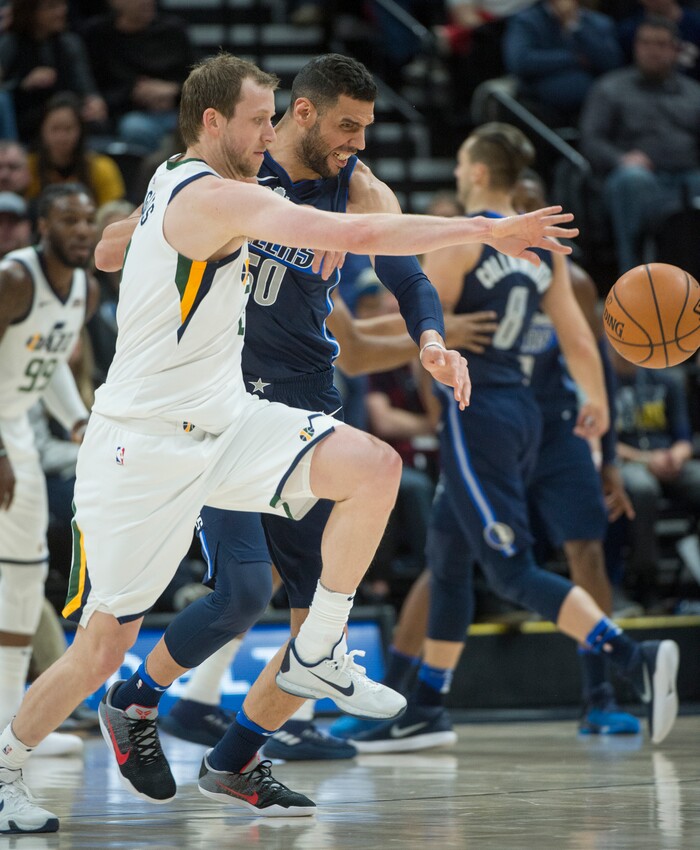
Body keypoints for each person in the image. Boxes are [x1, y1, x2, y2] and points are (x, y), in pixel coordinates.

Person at [0, 53, 578, 833]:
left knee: (376, 469)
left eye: (273, 117)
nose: (268, 132)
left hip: (234, 413)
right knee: (104, 648)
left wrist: (430, 335)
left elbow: (381, 246)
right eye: (258, 119)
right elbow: (352, 231)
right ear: (216, 123)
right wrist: (484, 227)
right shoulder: (212, 195)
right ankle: (8, 767)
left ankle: (318, 652)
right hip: (144, 443)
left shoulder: (225, 183)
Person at [347, 122, 680, 755]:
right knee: (446, 559)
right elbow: (582, 343)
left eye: (459, 167)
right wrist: (600, 410)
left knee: (507, 568)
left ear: (475, 173)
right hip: (530, 412)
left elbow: (420, 320)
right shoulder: (543, 250)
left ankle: (630, 656)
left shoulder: (465, 239)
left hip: (482, 411)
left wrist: (434, 329)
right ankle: (426, 708)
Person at [0, 184, 99, 787]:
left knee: (24, 576)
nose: (83, 229)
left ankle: (11, 720)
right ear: (43, 225)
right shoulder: (15, 277)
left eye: (88, 219)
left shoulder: (83, 289)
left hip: (20, 434)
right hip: (4, 435)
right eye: (69, 219)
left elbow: (53, 363)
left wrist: (79, 422)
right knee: (17, 576)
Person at [579, 16, 700, 272]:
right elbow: (591, 139)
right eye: (645, 43)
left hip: (687, 176)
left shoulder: (693, 92)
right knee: (633, 181)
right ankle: (634, 278)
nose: (652, 51)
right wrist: (621, 159)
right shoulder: (611, 88)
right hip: (636, 178)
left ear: (675, 50)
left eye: (660, 44)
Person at [609, 349, 700, 605]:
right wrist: (648, 459)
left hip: (669, 460)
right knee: (642, 488)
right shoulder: (602, 383)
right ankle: (645, 577)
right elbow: (604, 443)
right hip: (627, 462)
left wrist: (676, 456)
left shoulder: (666, 380)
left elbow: (685, 439)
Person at [80, 0, 196, 152]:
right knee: (136, 129)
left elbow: (198, 77)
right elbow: (96, 90)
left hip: (176, 109)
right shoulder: (97, 34)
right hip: (126, 114)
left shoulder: (173, 30)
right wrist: (133, 93)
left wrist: (173, 89)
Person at [0, 0, 107, 143]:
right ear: (31, 12)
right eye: (51, 7)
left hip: (69, 113)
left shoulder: (70, 44)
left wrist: (94, 101)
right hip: (27, 119)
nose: (61, 12)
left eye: (62, 5)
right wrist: (23, 84)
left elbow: (86, 87)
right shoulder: (10, 44)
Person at [503, 0, 623, 127]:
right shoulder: (526, 20)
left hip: (591, 106)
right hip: (539, 103)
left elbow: (612, 63)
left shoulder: (599, 22)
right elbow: (520, 62)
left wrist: (575, 25)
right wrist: (574, 59)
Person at [26, 92, 126, 208]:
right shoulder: (27, 167)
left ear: (80, 131)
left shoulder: (102, 167)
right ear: (42, 130)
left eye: (68, 129)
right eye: (55, 129)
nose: (61, 137)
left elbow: (114, 213)